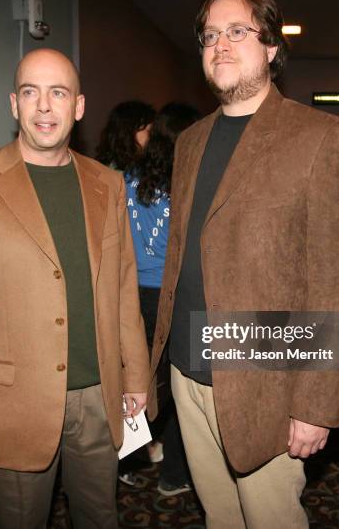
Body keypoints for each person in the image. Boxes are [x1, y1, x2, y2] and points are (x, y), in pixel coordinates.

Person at [147, 0, 339, 528]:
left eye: (237, 31)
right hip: (187, 374)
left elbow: (338, 284)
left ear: (271, 46)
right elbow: (180, 256)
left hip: (266, 380)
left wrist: (316, 404)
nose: (220, 44)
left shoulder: (321, 137)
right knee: (219, 517)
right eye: (209, 35)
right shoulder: (190, 141)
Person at [0, 48, 149, 529]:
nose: (44, 106)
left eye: (58, 93)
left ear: (79, 106)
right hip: (10, 406)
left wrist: (136, 376)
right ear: (13, 103)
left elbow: (124, 289)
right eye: (31, 92)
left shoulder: (107, 183)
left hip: (98, 399)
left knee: (100, 518)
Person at [122, 103, 200, 496]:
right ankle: (172, 474)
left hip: (131, 296)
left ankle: (124, 459)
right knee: (178, 384)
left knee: (138, 381)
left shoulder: (126, 180)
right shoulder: (189, 182)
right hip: (172, 296)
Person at [95, 101, 155, 171]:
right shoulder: (108, 173)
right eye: (149, 131)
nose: (154, 136)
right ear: (130, 132)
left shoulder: (146, 166)